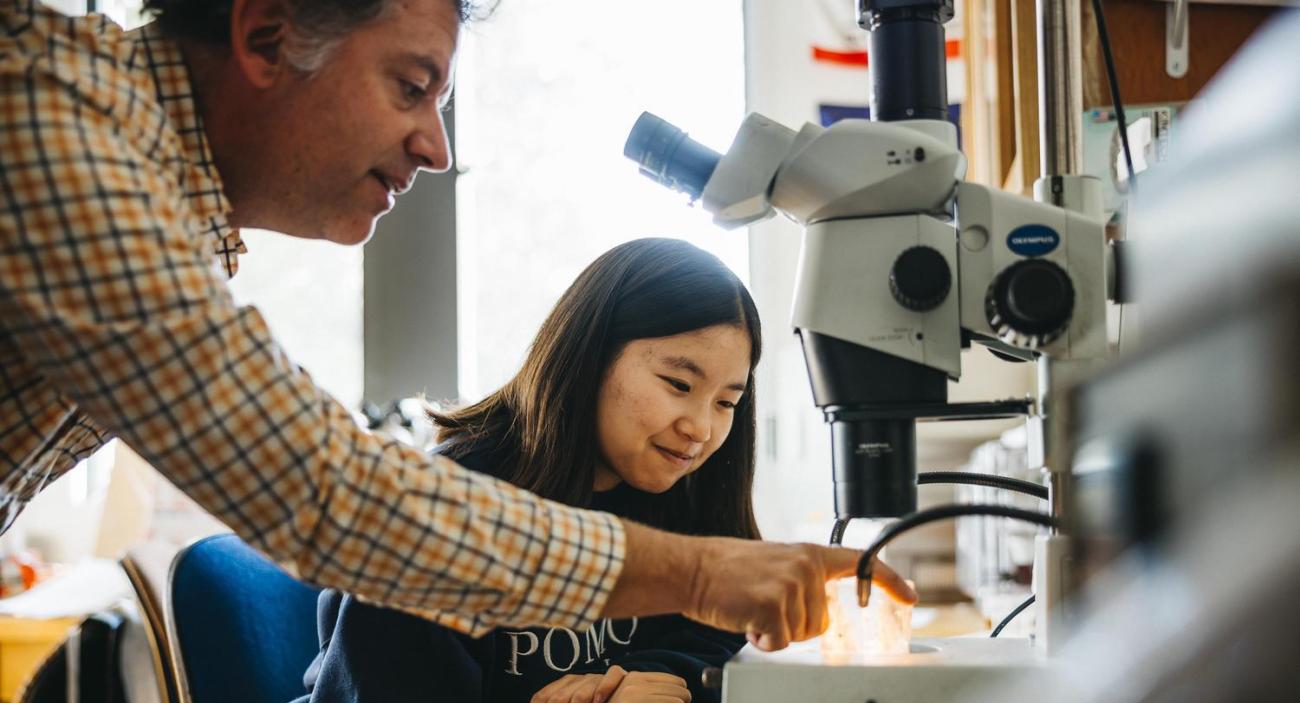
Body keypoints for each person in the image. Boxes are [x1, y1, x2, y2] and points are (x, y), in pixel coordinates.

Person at [0, 0, 914, 650]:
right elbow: (324, 490)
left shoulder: (162, 192)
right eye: (411, 85)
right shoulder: (54, 120)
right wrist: (704, 573)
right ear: (267, 35)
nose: (437, 146)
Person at [275, 238, 762, 703]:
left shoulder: (683, 492)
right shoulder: (439, 515)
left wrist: (640, 678)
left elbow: (724, 629)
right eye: (679, 385)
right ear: (591, 354)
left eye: (726, 403)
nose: (701, 429)